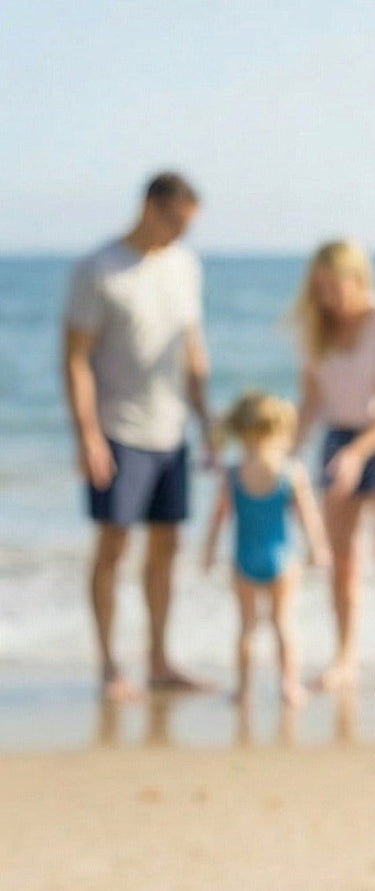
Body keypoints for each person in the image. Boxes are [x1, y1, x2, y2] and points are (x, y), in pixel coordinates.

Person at [63, 170, 217, 700]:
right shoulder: (99, 268)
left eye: (187, 225)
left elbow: (192, 349)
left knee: (166, 548)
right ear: (150, 206)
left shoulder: (184, 265)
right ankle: (109, 665)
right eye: (175, 221)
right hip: (118, 431)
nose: (180, 233)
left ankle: (158, 660)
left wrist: (209, 422)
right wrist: (88, 436)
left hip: (171, 432)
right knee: (113, 546)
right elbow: (76, 360)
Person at [291, 240, 375, 693]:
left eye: (335, 287)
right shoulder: (316, 328)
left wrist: (357, 454)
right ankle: (344, 658)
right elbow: (311, 401)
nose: (328, 298)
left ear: (360, 280)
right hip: (339, 433)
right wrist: (286, 453)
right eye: (320, 289)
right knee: (342, 558)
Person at [202, 391, 329, 706]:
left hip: (244, 558)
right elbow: (307, 516)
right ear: (278, 430)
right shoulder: (290, 471)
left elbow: (218, 519)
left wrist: (209, 552)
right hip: (282, 560)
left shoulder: (232, 474)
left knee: (246, 627)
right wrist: (318, 549)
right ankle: (290, 686)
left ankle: (244, 690)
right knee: (283, 623)